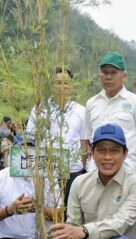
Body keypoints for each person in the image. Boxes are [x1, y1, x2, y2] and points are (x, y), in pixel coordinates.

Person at [26, 67, 86, 209]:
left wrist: (82, 167)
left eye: (66, 83)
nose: (62, 87)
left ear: (72, 86)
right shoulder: (40, 109)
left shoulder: (81, 110)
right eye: (58, 82)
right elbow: (30, 140)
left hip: (72, 171)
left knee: (70, 211)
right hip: (46, 170)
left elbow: (84, 142)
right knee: (46, 210)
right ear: (52, 85)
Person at [83, 52, 136, 173]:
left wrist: (132, 157)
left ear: (123, 76)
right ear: (100, 76)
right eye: (105, 72)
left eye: (113, 72)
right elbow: (90, 137)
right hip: (96, 172)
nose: (108, 77)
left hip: (126, 171)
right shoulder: (91, 103)